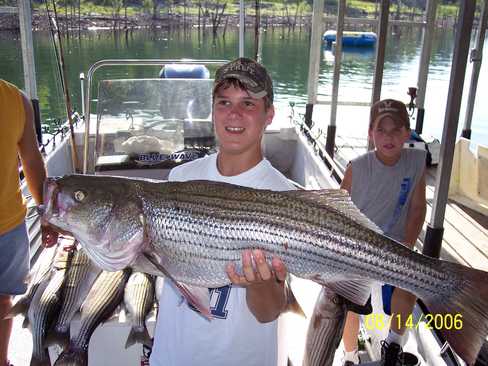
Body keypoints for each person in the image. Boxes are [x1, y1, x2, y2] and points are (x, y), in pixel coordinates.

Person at [150, 58, 295, 366]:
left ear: (269, 114)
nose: (234, 114)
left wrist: (259, 282)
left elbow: (269, 311)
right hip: (171, 355)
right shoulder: (180, 178)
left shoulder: (286, 198)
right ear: (213, 110)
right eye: (224, 102)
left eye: (248, 104)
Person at [340, 99, 427, 366]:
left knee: (411, 281)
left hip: (397, 244)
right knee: (351, 299)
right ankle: (350, 355)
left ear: (407, 133)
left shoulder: (416, 161)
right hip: (360, 245)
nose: (388, 137)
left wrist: (408, 245)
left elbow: (417, 207)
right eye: (381, 130)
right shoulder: (357, 166)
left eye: (396, 130)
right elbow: (339, 209)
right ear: (370, 133)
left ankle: (394, 344)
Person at [0, 79, 58, 366]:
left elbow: (32, 161)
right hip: (10, 229)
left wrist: (45, 213)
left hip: (9, 225)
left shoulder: (16, 100)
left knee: (3, 300)